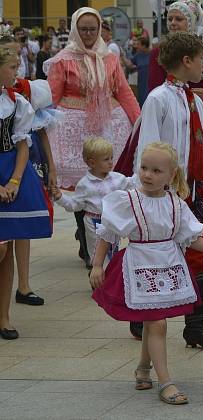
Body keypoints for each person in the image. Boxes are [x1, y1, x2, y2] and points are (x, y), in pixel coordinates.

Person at [89, 141, 203, 406]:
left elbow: (188, 235)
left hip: (168, 267)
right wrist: (97, 265)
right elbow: (108, 232)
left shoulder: (176, 204)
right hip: (138, 266)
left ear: (171, 175)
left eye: (155, 170)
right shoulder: (128, 199)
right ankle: (166, 382)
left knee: (154, 320)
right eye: (144, 168)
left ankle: (143, 368)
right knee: (157, 323)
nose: (147, 175)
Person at [131, 32, 203, 351]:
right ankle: (142, 311)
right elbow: (147, 147)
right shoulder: (158, 98)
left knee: (201, 254)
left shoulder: (195, 100)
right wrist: (147, 190)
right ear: (186, 61)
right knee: (157, 253)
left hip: (195, 191)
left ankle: (196, 326)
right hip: (166, 193)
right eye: (201, 59)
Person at [47, 7, 140, 268]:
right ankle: (86, 239)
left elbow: (123, 91)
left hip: (106, 126)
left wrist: (139, 121)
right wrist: (42, 129)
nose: (88, 34)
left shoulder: (109, 58)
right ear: (75, 30)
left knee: (105, 180)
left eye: (93, 29)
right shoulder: (63, 60)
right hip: (72, 130)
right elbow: (52, 97)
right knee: (79, 185)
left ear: (99, 30)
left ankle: (96, 237)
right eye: (83, 29)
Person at [0, 47, 52, 340]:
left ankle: (4, 317)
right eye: (10, 67)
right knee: (1, 248)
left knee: (7, 247)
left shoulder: (17, 103)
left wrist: (16, 180)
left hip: (11, 171)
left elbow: (23, 145)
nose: (15, 73)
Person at [147, 0, 203, 174]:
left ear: (192, 21)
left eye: (179, 19)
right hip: (173, 119)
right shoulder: (159, 52)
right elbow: (154, 91)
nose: (172, 23)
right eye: (170, 19)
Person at [9, 75, 59, 305]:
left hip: (28, 160)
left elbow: (40, 132)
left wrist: (52, 168)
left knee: (23, 225)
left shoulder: (28, 90)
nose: (15, 67)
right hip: (7, 161)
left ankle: (24, 285)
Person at [53, 137, 134, 268]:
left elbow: (132, 183)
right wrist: (60, 197)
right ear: (92, 163)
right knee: (97, 253)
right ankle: (97, 277)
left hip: (112, 222)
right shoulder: (85, 185)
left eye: (111, 158)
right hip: (94, 222)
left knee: (113, 251)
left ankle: (109, 281)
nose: (111, 162)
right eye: (106, 159)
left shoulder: (117, 179)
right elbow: (74, 205)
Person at [130, 36, 152, 106]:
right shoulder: (138, 55)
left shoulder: (153, 54)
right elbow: (130, 65)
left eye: (138, 45)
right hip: (141, 85)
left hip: (151, 84)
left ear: (144, 46)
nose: (137, 47)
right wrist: (122, 56)